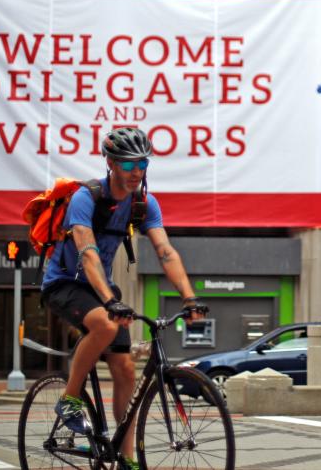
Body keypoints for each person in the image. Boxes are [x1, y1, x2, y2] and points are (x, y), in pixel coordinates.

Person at [40, 125, 202, 469]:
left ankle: (125, 457)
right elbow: (87, 253)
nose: (136, 172)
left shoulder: (144, 204)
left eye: (142, 164)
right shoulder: (87, 197)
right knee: (105, 325)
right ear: (111, 163)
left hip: (103, 288)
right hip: (65, 283)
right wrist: (109, 301)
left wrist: (189, 298)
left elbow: (166, 252)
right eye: (128, 165)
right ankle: (70, 398)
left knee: (126, 369)